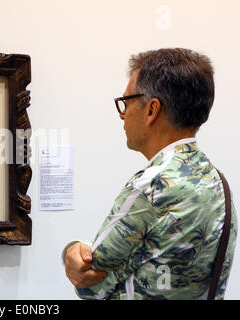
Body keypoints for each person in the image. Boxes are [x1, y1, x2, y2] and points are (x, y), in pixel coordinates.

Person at [63, 48, 237, 300]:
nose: (122, 115)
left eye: (127, 102)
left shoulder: (152, 184)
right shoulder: (219, 183)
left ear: (151, 109)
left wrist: (70, 250)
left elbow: (90, 284)